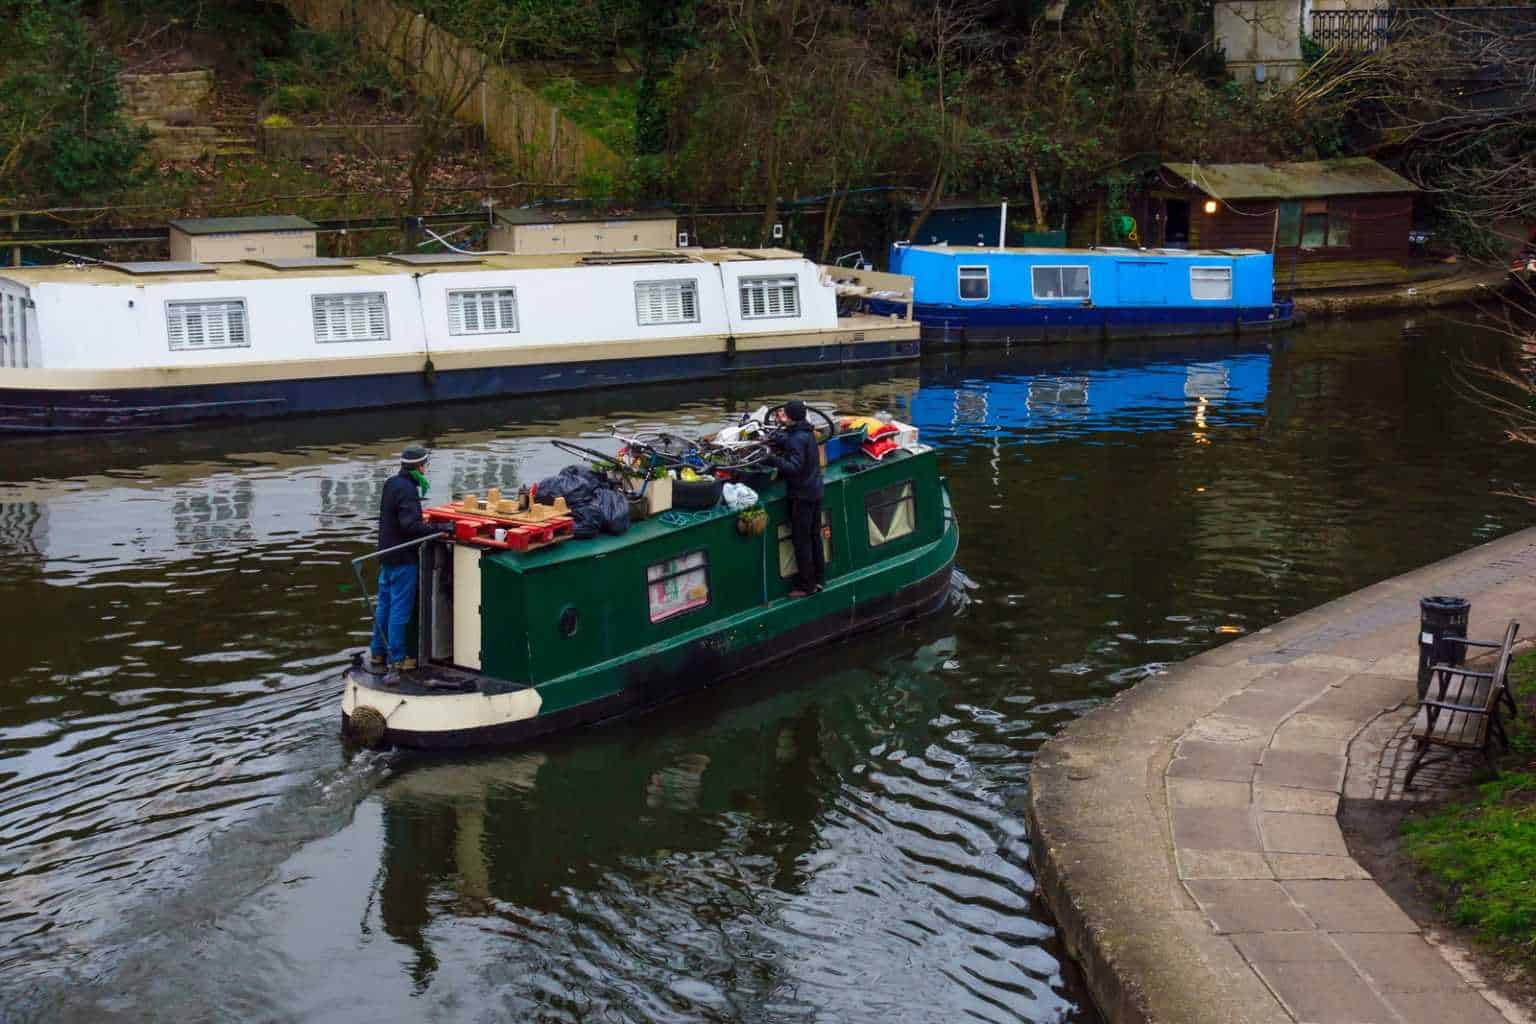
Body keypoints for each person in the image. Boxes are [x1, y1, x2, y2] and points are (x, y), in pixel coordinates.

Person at [370, 445, 452, 673]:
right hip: (403, 558)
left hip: (385, 554)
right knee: (399, 609)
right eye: (425, 466)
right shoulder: (408, 490)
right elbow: (409, 526)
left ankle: (377, 652)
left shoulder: (392, 483)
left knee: (383, 605)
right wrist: (439, 528)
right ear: (420, 466)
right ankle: (397, 658)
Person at [768, 400, 825, 597]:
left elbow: (793, 467)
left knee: (801, 542)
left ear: (791, 417)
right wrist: (779, 438)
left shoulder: (796, 439)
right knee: (814, 537)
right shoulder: (807, 432)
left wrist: (771, 457)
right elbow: (793, 441)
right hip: (815, 491)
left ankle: (806, 586)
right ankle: (819, 578)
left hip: (801, 496)